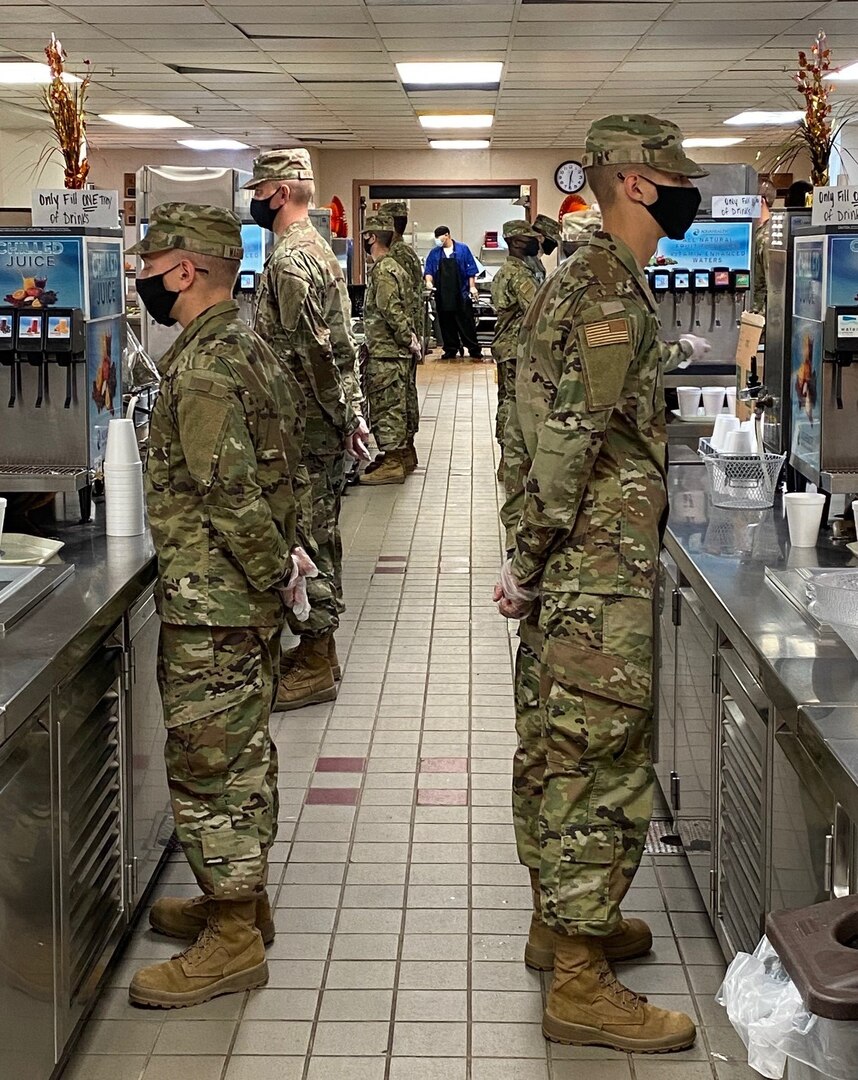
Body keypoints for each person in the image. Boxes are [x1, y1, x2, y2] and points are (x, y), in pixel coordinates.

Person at [495, 115, 713, 1054]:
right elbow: (566, 445)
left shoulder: (588, 276)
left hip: (574, 568)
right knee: (598, 767)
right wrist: (534, 560)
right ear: (634, 183)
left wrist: (528, 555)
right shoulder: (604, 293)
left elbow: (525, 419)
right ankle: (581, 977)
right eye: (673, 180)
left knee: (555, 748)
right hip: (594, 575)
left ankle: (560, 924)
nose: (685, 194)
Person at [126, 203, 313, 1008]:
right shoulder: (242, 343)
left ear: (184, 270)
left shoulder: (202, 366)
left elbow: (230, 491)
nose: (141, 280)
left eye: (149, 266)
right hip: (235, 599)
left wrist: (276, 574)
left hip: (216, 604)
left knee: (211, 766)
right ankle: (240, 900)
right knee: (240, 755)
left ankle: (232, 936)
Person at [247, 149, 368, 711]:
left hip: (301, 426)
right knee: (319, 531)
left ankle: (317, 656)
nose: (254, 200)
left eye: (258, 190)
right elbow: (340, 350)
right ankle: (319, 647)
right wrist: (351, 414)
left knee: (310, 536)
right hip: (317, 422)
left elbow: (313, 355)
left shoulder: (291, 261)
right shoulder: (318, 249)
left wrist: (343, 418)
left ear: (276, 192)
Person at [359, 211, 420, 485]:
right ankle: (404, 454)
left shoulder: (383, 270)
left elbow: (390, 310)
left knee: (388, 405)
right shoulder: (396, 266)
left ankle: (394, 460)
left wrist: (407, 338)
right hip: (397, 351)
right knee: (402, 402)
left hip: (386, 352)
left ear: (371, 237)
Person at [491, 220, 540, 469]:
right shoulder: (519, 275)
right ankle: (509, 460)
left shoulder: (508, 271)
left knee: (507, 401)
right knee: (514, 403)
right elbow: (536, 310)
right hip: (515, 348)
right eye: (530, 239)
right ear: (518, 242)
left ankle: (507, 457)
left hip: (507, 347)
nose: (536, 243)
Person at [382, 200, 424, 474]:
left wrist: (406, 336)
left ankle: (398, 455)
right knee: (405, 394)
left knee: (395, 397)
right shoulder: (406, 253)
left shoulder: (396, 256)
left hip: (398, 341)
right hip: (408, 336)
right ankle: (406, 451)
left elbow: (395, 302)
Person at [424, 225, 482, 359]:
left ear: (447, 235)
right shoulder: (434, 253)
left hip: (461, 293)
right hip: (443, 295)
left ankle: (473, 348)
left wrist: (472, 287)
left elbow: (471, 270)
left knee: (466, 322)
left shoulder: (463, 249)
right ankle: (451, 348)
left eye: (440, 237)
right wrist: (428, 282)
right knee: (446, 323)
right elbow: (429, 270)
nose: (438, 241)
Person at [753, 179, 776, 314]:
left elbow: (771, 285)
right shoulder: (758, 232)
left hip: (762, 314)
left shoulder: (767, 237)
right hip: (756, 312)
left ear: (761, 201)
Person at [527, 213, 561, 285]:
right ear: (540, 238)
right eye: (552, 240)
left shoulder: (536, 260)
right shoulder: (528, 262)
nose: (554, 245)